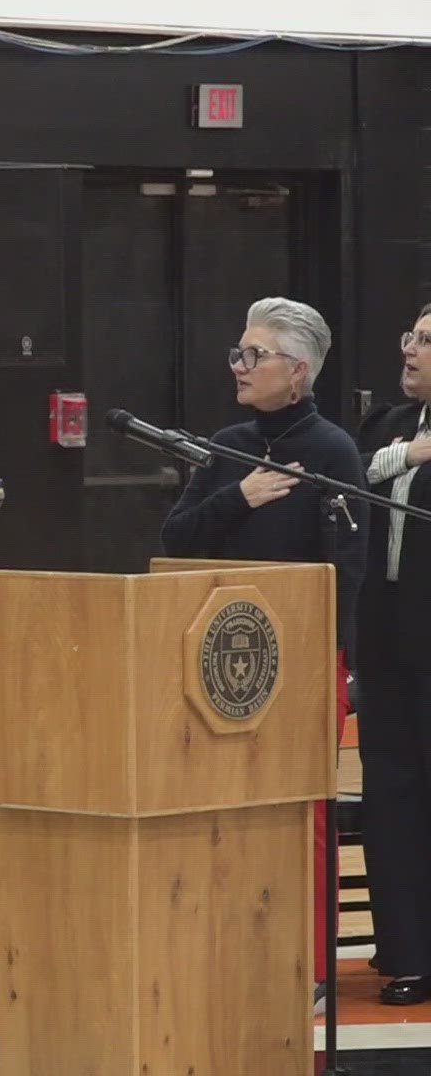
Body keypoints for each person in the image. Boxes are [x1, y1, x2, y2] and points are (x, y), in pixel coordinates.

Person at [160, 297, 365, 1006]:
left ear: (297, 371)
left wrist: (331, 663)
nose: (240, 366)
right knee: (226, 812)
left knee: (303, 814)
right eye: (237, 353)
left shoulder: (333, 452)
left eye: (256, 355)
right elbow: (177, 538)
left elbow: (349, 568)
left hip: (302, 664)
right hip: (218, 667)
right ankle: (235, 946)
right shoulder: (228, 446)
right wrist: (240, 498)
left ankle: (310, 967)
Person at [352, 303, 431, 1006]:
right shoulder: (388, 425)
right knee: (393, 794)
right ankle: (405, 948)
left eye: (427, 341)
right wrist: (408, 455)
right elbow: (351, 477)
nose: (409, 349)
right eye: (410, 335)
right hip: (385, 641)